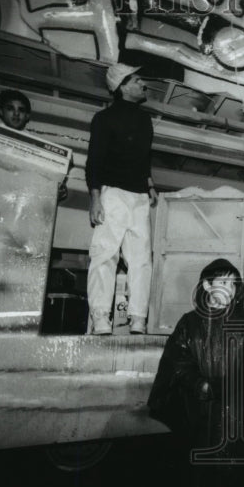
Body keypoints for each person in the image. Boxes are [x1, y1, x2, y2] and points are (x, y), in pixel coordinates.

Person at [147, 259, 244, 487]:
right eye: (223, 282)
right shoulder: (189, 323)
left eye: (234, 284)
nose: (230, 289)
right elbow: (177, 361)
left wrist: (236, 384)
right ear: (207, 285)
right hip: (200, 418)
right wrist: (199, 385)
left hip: (237, 419)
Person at [85, 63, 157, 335]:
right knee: (105, 255)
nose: (143, 85)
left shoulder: (144, 120)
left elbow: (143, 157)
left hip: (138, 195)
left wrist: (149, 184)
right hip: (112, 193)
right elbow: (94, 161)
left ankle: (138, 318)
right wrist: (95, 198)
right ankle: (101, 318)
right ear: (123, 86)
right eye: (138, 80)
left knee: (141, 259)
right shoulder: (103, 119)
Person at [0, 88, 68, 201]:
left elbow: (41, 187)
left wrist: (56, 190)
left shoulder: (37, 148)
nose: (16, 113)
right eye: (10, 108)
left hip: (18, 206)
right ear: (1, 111)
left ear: (27, 116)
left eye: (21, 110)